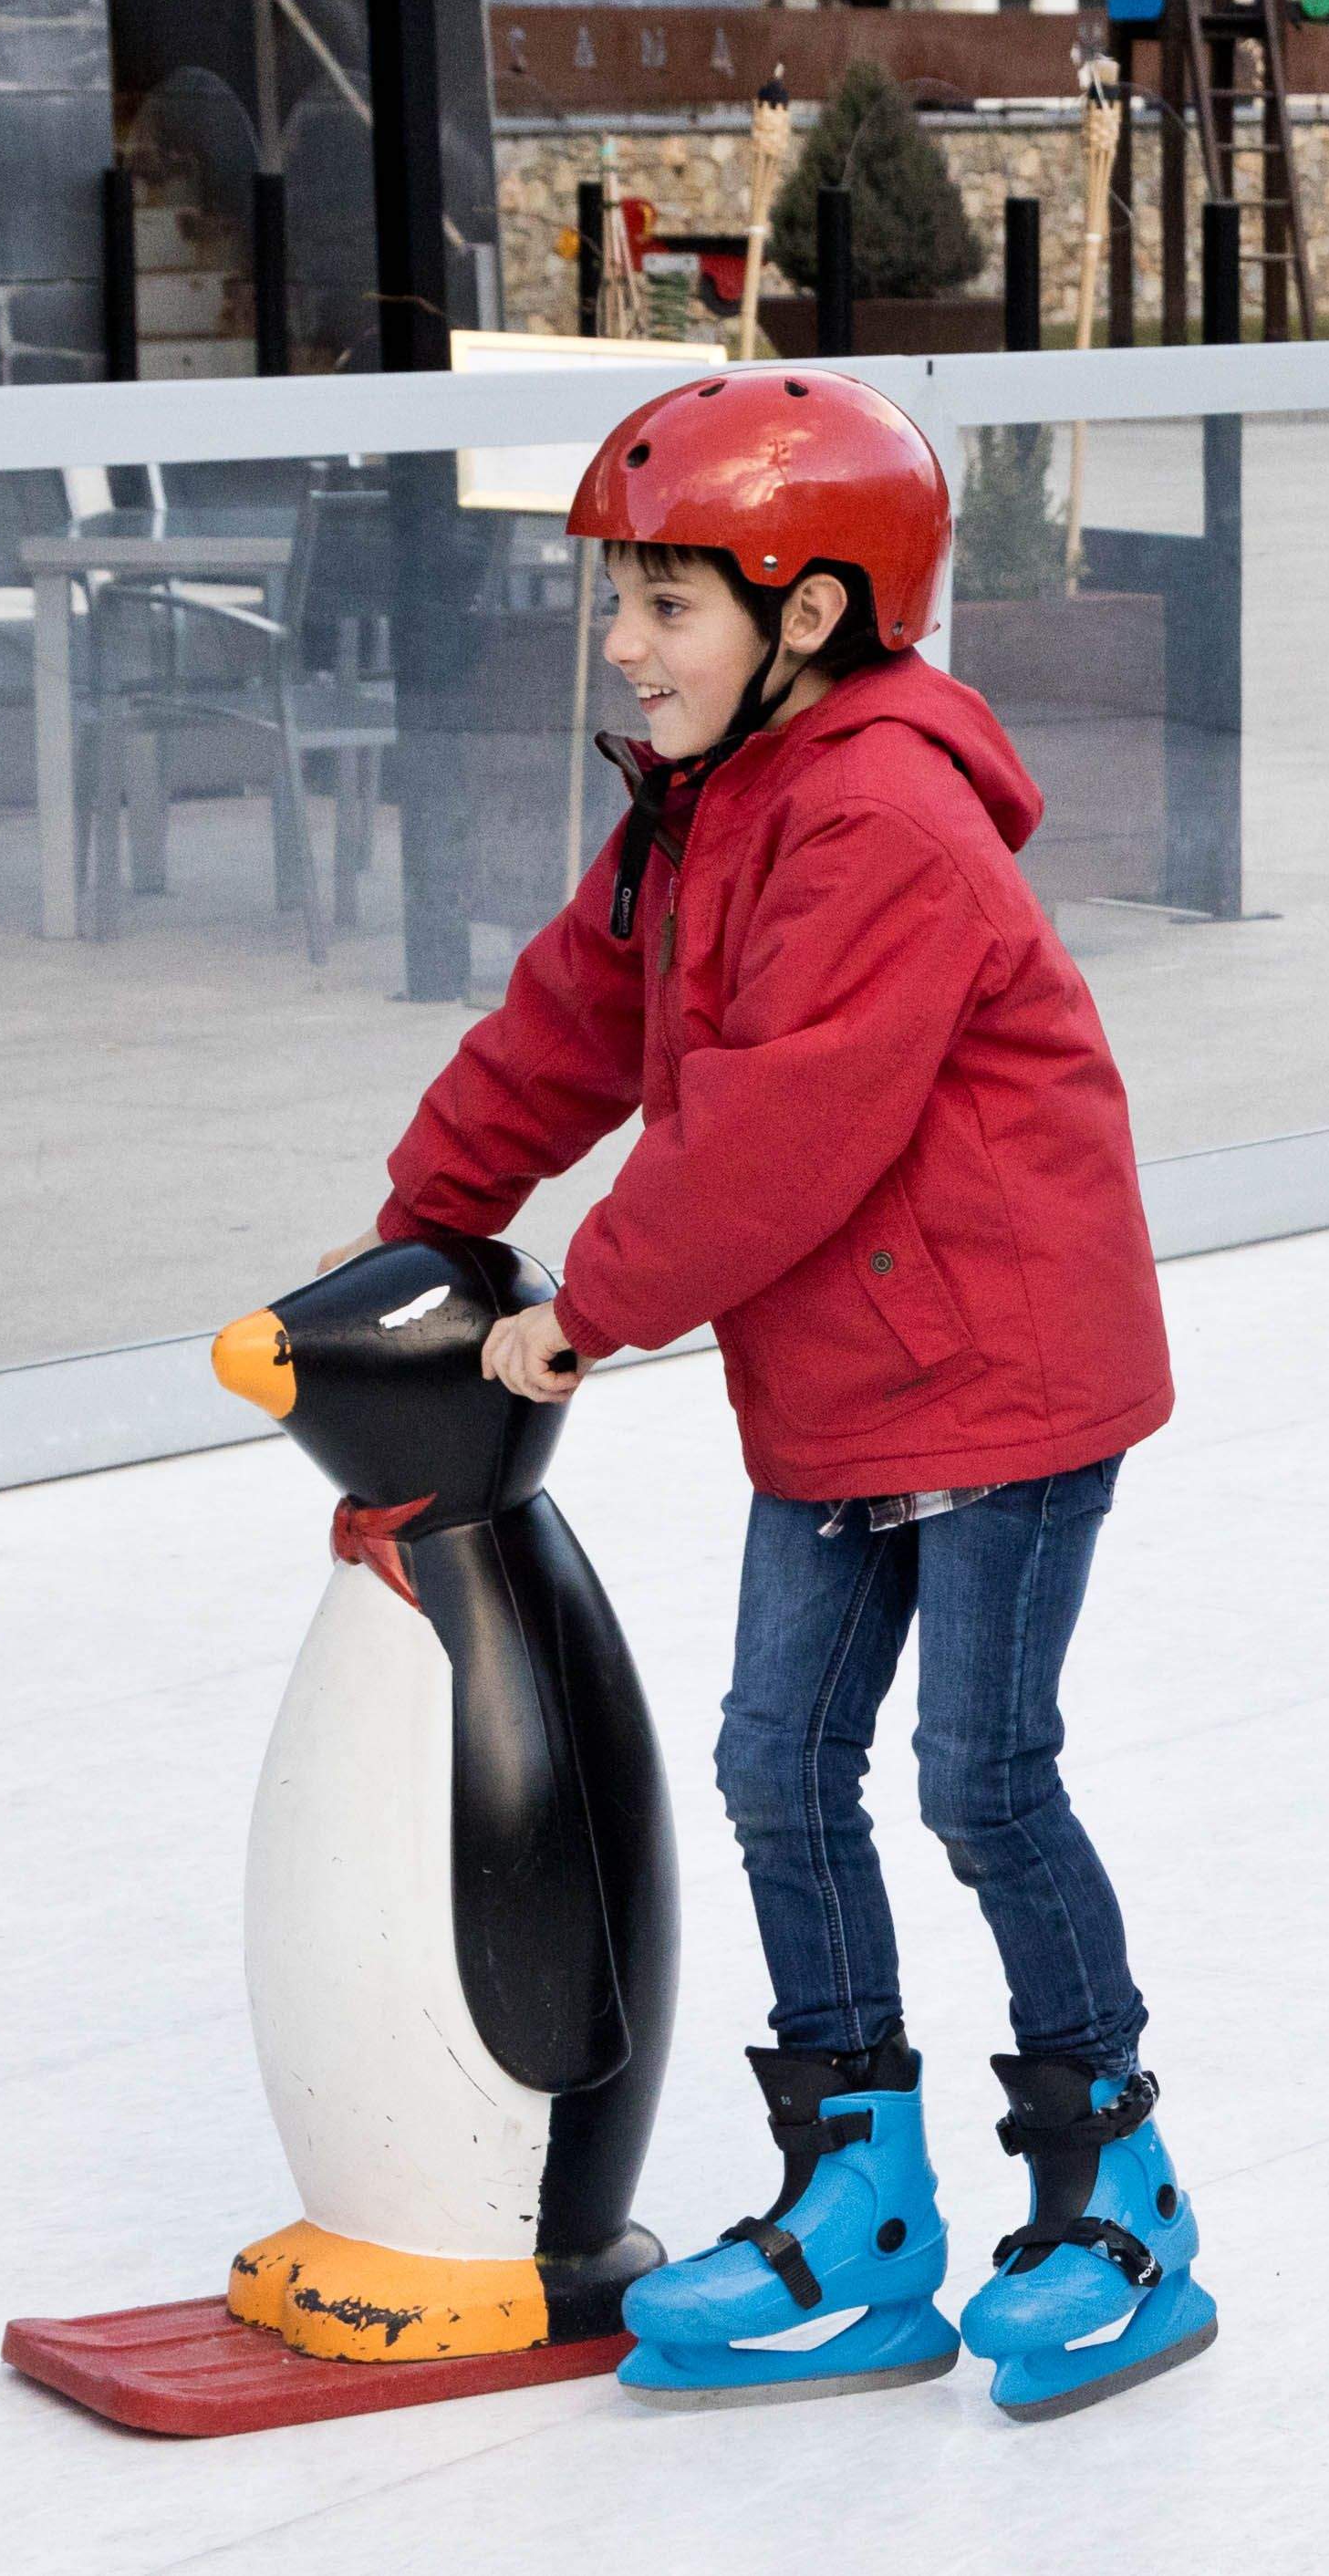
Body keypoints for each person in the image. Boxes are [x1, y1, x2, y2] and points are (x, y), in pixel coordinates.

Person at [334, 369, 1216, 2417]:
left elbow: (778, 1123)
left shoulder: (883, 818)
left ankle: (1117, 2193)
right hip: (838, 1372)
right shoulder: (698, 809)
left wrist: (583, 1309)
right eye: (620, 601)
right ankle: (862, 2205)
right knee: (773, 1764)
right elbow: (570, 1022)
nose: (623, 647)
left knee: (982, 1781)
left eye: (666, 604)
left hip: (1000, 1371)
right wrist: (416, 1239)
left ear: (806, 613)